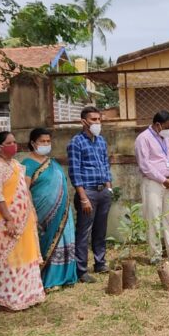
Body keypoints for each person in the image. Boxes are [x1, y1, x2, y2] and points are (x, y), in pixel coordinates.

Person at [0, 131, 46, 310]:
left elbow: (24, 191)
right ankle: (7, 299)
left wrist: (31, 211)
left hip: (24, 220)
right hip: (4, 222)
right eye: (10, 142)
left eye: (15, 141)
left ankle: (28, 295)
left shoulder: (16, 165)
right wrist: (9, 219)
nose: (15, 145)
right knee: (7, 259)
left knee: (25, 255)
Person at [23, 128, 79, 290]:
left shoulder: (52, 162)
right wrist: (30, 208)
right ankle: (51, 279)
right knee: (48, 241)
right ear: (33, 143)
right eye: (42, 141)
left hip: (62, 209)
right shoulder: (27, 164)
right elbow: (24, 189)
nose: (46, 144)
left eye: (48, 141)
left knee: (66, 239)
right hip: (42, 212)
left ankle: (67, 276)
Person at [66, 106, 114, 283]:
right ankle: (81, 270)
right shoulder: (76, 142)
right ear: (83, 121)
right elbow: (75, 172)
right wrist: (83, 197)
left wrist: (109, 188)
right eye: (93, 120)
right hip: (87, 192)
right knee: (84, 231)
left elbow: (105, 165)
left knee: (100, 229)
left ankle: (100, 262)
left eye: (99, 119)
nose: (97, 123)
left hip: (103, 191)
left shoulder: (101, 141)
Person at [135, 110, 169, 264]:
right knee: (153, 219)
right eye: (167, 127)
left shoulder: (166, 138)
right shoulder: (143, 138)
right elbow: (145, 165)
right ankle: (155, 255)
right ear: (157, 125)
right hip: (153, 184)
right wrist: (163, 179)